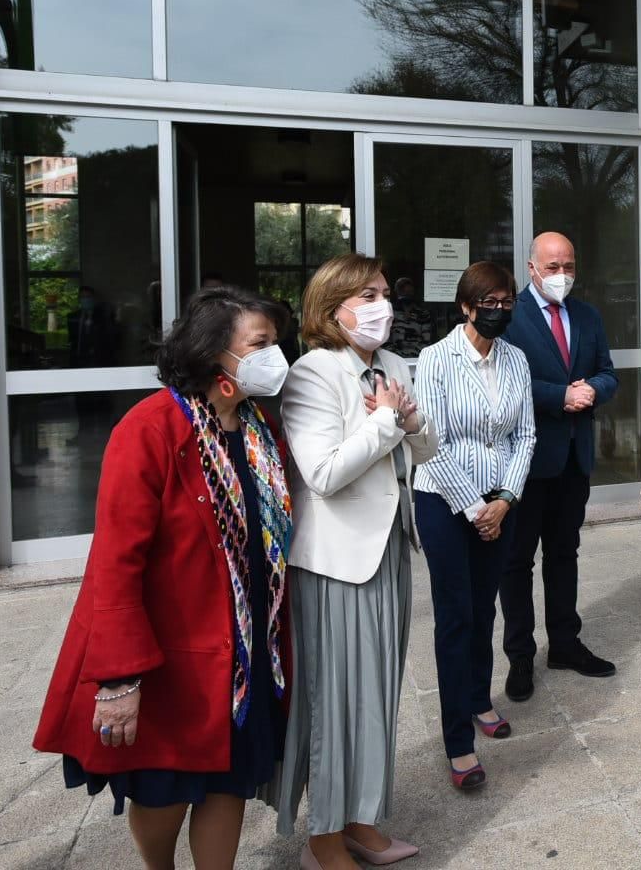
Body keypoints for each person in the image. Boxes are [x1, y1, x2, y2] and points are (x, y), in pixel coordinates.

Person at [33, 287, 294, 870]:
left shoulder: (258, 428)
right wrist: (119, 678)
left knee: (229, 780)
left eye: (275, 343)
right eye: (260, 344)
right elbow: (115, 562)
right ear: (214, 354)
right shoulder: (151, 429)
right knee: (166, 788)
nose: (274, 356)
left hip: (245, 648)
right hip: (171, 653)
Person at [272, 255, 439, 869]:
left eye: (385, 293)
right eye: (367, 294)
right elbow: (323, 474)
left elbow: (424, 446)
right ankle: (323, 836)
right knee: (334, 700)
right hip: (336, 563)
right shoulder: (313, 374)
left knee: (376, 695)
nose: (382, 305)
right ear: (331, 306)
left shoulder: (392, 365)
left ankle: (362, 819)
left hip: (389, 548)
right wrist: (389, 422)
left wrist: (409, 422)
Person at [411, 262, 537, 790]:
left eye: (507, 301)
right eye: (489, 302)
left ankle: (480, 698)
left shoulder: (516, 360)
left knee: (486, 606)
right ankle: (458, 739)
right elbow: (429, 442)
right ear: (466, 306)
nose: (499, 310)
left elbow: (525, 435)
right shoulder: (434, 359)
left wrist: (504, 500)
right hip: (443, 500)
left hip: (499, 503)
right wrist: (474, 508)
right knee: (456, 615)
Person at [500, 232, 620, 703]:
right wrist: (559, 395)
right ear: (531, 269)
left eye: (568, 265)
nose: (561, 275)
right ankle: (520, 655)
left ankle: (565, 644)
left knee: (564, 554)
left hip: (575, 458)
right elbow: (508, 383)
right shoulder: (511, 318)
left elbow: (609, 371)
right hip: (527, 463)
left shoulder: (587, 315)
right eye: (551, 267)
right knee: (517, 561)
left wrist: (594, 388)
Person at [387, 276, 435, 358]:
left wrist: (415, 355)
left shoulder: (422, 313)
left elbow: (426, 339)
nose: (406, 292)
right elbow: (385, 339)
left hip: (417, 358)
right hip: (393, 358)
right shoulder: (389, 312)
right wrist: (395, 356)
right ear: (397, 291)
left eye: (409, 290)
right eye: (402, 289)